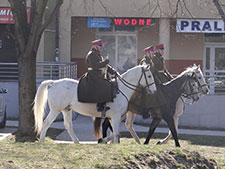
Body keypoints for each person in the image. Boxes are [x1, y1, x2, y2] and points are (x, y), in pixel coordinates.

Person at [85, 39, 116, 112]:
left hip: (98, 74)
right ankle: (100, 106)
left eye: (101, 46)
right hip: (93, 75)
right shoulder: (91, 54)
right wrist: (105, 62)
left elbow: (105, 65)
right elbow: (95, 65)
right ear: (95, 46)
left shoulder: (97, 54)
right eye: (100, 46)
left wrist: (113, 71)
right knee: (103, 85)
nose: (101, 47)